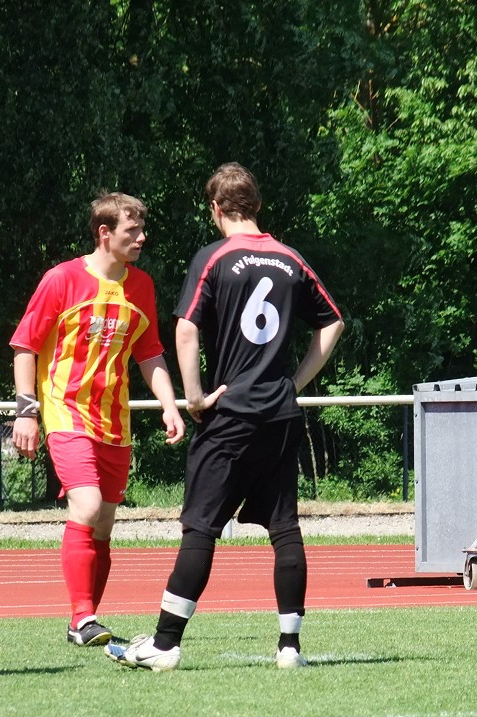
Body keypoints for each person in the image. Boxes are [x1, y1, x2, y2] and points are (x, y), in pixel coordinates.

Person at [107, 162, 344, 671]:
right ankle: (289, 649)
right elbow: (333, 322)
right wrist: (293, 384)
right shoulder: (290, 259)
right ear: (256, 206)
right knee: (285, 529)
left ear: (217, 209)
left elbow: (186, 330)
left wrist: (194, 397)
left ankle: (166, 644)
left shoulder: (214, 258)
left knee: (201, 529)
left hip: (230, 413)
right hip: (279, 416)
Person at [11, 192, 185, 647]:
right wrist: (27, 411)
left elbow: (149, 353)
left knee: (104, 524)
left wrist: (169, 403)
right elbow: (25, 345)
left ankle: (83, 622)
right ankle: (83, 616)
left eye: (143, 230)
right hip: (65, 412)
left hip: (114, 422)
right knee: (85, 508)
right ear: (104, 233)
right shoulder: (61, 279)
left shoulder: (141, 286)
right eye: (132, 231)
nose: (141, 238)